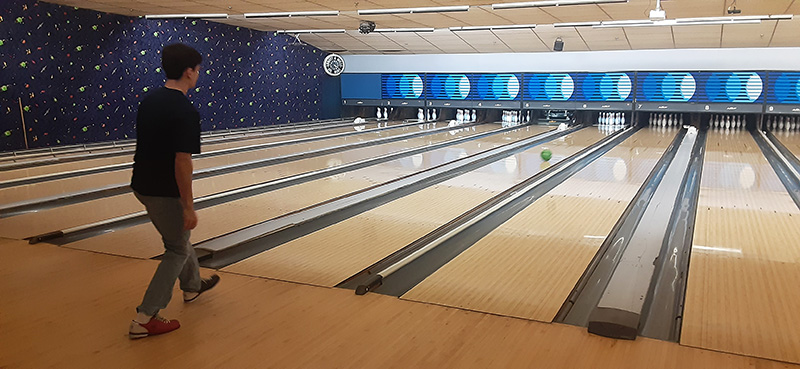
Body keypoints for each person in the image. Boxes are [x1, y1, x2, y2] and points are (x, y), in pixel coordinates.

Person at [128, 43, 219, 339]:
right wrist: (188, 206)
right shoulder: (185, 111)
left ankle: (192, 287)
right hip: (163, 190)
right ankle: (145, 317)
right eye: (198, 70)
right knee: (177, 247)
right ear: (189, 72)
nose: (198, 75)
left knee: (179, 238)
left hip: (141, 183)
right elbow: (183, 162)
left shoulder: (150, 99)